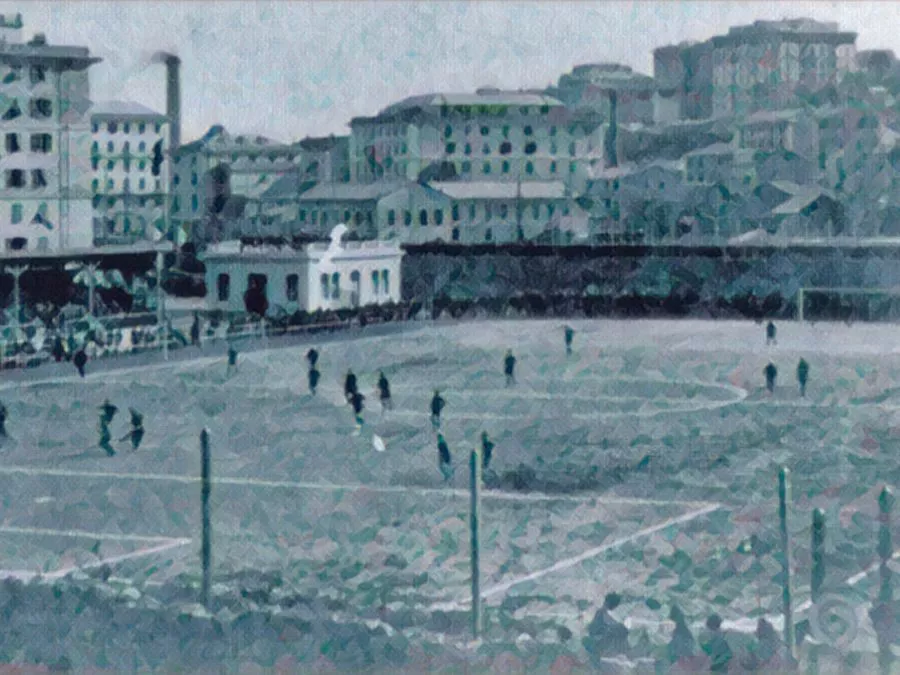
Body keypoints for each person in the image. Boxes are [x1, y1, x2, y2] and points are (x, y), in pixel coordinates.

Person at [584, 593, 629, 662]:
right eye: (615, 606)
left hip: (597, 637)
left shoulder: (600, 611)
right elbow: (609, 624)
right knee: (620, 631)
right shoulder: (602, 612)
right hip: (599, 639)